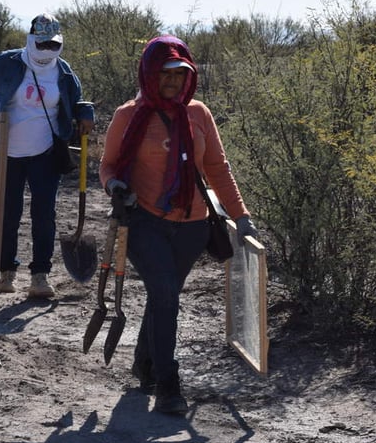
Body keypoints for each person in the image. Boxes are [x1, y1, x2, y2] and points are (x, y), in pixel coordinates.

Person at [99, 35, 258, 415]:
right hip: (144, 222)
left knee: (163, 296)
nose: (173, 83)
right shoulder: (128, 115)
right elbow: (107, 166)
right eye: (166, 75)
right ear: (150, 74)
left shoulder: (199, 114)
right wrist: (115, 185)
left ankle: (145, 363)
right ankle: (169, 386)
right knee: (167, 294)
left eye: (180, 75)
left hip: (192, 227)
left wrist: (242, 216)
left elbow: (218, 168)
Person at [0, 14, 95, 299]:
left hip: (45, 152)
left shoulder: (63, 72)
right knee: (8, 213)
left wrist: (85, 111)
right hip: (7, 151)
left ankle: (40, 275)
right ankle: (6, 271)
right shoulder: (8, 62)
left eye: (53, 44)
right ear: (31, 39)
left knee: (44, 215)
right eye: (42, 43)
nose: (47, 49)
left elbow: (75, 99)